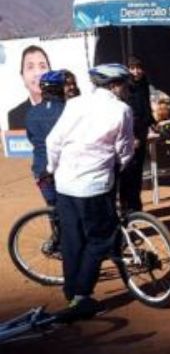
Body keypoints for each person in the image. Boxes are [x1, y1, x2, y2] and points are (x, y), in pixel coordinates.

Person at [45, 63, 135, 319]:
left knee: (72, 239)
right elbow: (125, 149)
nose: (128, 90)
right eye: (126, 85)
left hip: (65, 183)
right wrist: (122, 163)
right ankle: (82, 297)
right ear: (115, 85)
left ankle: (71, 291)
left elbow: (54, 140)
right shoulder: (122, 110)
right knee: (101, 239)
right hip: (94, 185)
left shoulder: (74, 104)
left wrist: (53, 167)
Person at [26, 70, 68, 254]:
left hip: (42, 171)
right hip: (66, 168)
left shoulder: (31, 113)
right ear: (60, 89)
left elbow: (32, 138)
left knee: (53, 210)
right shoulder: (69, 110)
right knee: (72, 209)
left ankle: (58, 244)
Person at [117, 56, 156, 213]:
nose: (136, 71)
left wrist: (152, 122)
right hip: (130, 135)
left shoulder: (144, 84)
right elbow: (127, 114)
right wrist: (132, 137)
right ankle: (128, 209)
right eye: (132, 68)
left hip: (142, 132)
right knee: (128, 172)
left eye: (138, 67)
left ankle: (136, 208)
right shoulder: (126, 87)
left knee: (138, 171)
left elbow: (145, 107)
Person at [9, 45, 51, 129]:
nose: (37, 73)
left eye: (42, 66)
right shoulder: (15, 116)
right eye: (30, 67)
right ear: (22, 77)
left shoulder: (66, 110)